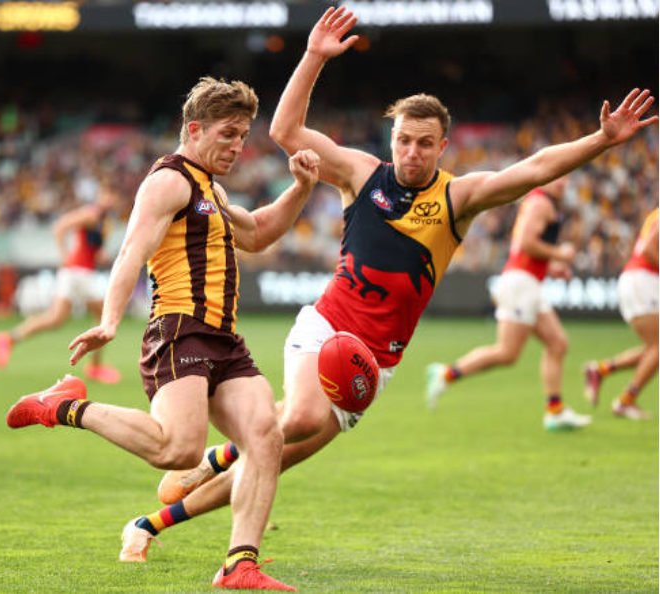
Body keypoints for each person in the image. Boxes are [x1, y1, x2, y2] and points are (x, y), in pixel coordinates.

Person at [127, 6, 658, 560]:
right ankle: (219, 470)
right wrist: (312, 57)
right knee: (298, 419)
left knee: (278, 454)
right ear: (393, 137)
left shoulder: (458, 198)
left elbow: (533, 168)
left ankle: (152, 522)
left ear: (442, 146)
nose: (411, 152)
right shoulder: (362, 173)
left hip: (373, 364)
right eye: (404, 140)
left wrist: (600, 141)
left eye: (425, 144)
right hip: (327, 329)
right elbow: (285, 131)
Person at [6, 76, 321, 591]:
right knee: (177, 452)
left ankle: (240, 566)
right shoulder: (169, 181)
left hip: (223, 339)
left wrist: (302, 187)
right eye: (227, 134)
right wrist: (109, 320)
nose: (238, 146)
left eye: (242, 136)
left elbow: (259, 233)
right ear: (194, 129)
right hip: (180, 332)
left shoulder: (212, 189)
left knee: (265, 434)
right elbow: (132, 249)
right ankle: (64, 405)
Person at [425, 175, 592, 430]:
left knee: (557, 343)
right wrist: (559, 253)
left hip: (527, 283)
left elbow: (525, 250)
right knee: (507, 353)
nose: (562, 183)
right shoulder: (541, 203)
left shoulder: (539, 202)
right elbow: (525, 243)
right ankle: (446, 374)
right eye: (557, 177)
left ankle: (555, 411)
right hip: (520, 285)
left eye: (566, 179)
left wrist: (551, 267)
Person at [0, 181, 122, 384]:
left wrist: (100, 255)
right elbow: (60, 226)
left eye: (113, 196)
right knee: (104, 314)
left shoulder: (103, 220)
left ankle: (9, 339)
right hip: (78, 273)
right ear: (101, 195)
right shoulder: (91, 214)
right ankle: (95, 367)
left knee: (56, 319)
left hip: (78, 273)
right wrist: (63, 255)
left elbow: (90, 246)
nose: (111, 200)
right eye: (108, 194)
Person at [584, 208, 658, 420]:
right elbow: (648, 250)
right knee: (657, 347)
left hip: (642, 279)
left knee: (653, 348)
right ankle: (626, 401)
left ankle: (601, 370)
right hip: (644, 279)